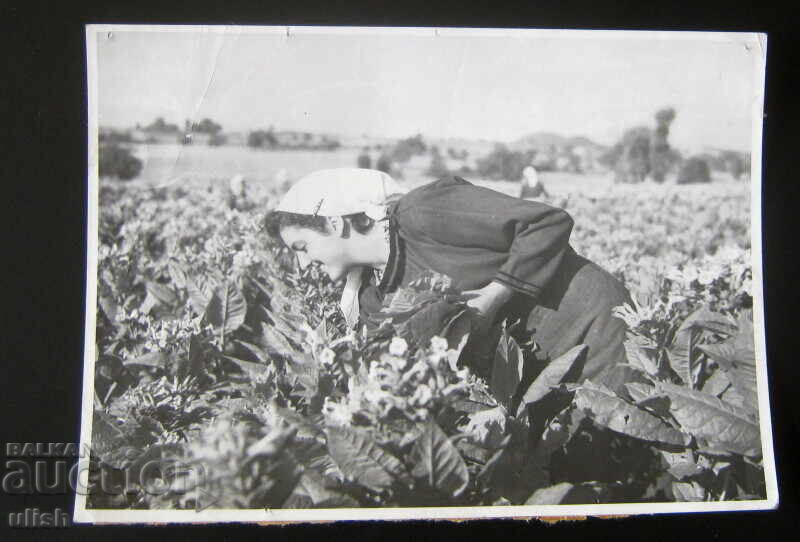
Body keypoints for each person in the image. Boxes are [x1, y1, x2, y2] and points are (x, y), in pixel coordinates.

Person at [264, 168, 631, 386]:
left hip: (592, 326)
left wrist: (492, 297)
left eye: (302, 246)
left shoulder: (423, 212)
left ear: (334, 223)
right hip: (535, 362)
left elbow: (546, 223)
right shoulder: (372, 296)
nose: (303, 263)